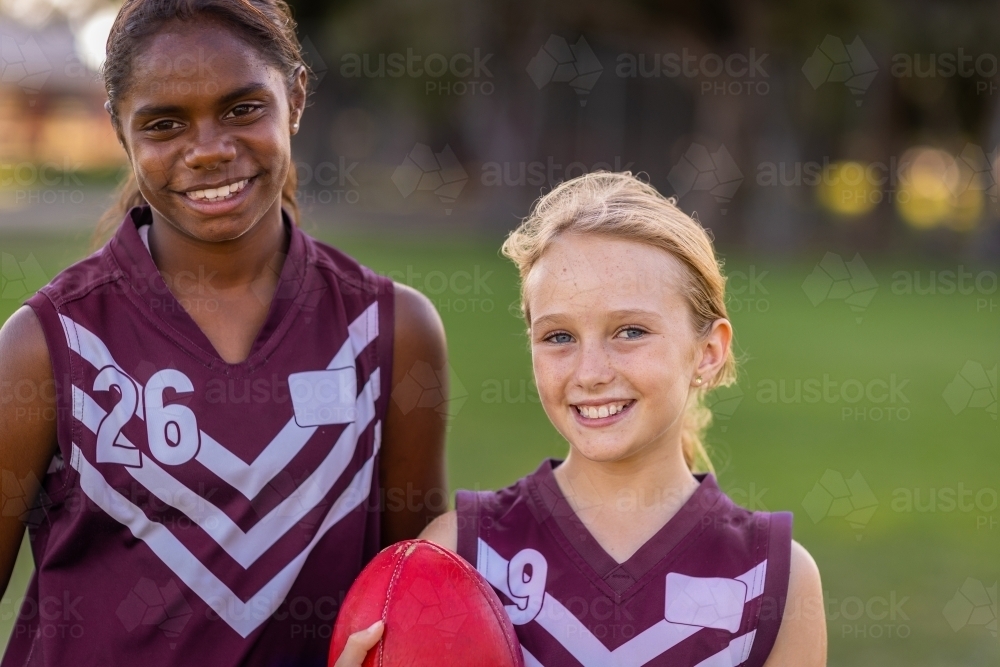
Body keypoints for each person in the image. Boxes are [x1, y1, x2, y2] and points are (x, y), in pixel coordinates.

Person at [0, 1, 447, 665]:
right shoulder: (47, 344)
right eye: (164, 123)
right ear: (119, 130)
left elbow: (412, 603)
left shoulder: (390, 332)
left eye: (242, 108)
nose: (209, 147)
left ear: (295, 97)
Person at [336, 172, 827, 666]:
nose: (590, 373)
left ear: (708, 352)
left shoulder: (776, 580)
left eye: (630, 331)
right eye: (559, 337)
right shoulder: (459, 555)